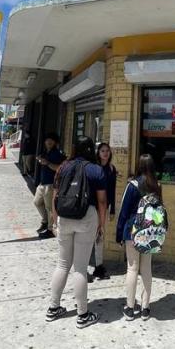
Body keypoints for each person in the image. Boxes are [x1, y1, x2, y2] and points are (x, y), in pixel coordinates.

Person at [46, 137, 107, 328]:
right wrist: (101, 224)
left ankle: (53, 308)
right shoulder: (96, 170)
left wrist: (55, 218)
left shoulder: (63, 167)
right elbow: (102, 201)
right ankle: (82, 314)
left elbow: (55, 195)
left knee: (62, 264)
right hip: (86, 217)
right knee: (80, 268)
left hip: (64, 216)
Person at [116, 154, 162, 321]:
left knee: (132, 269)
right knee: (146, 269)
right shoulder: (157, 185)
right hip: (150, 232)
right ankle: (145, 307)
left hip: (132, 231)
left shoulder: (133, 185)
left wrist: (119, 233)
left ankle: (129, 308)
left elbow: (124, 211)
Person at [88, 142, 118, 282]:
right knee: (89, 236)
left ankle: (99, 266)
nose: (105, 153)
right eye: (102, 151)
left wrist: (112, 210)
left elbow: (112, 190)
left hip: (104, 208)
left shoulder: (112, 169)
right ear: (98, 153)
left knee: (100, 236)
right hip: (92, 206)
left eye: (107, 151)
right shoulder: (94, 168)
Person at [34, 133, 64, 237]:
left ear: (55, 142)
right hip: (42, 183)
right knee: (37, 202)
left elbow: (59, 168)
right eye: (47, 140)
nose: (49, 142)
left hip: (51, 184)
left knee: (50, 208)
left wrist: (47, 163)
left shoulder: (57, 154)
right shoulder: (45, 152)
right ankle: (45, 221)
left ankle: (51, 229)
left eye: (51, 140)